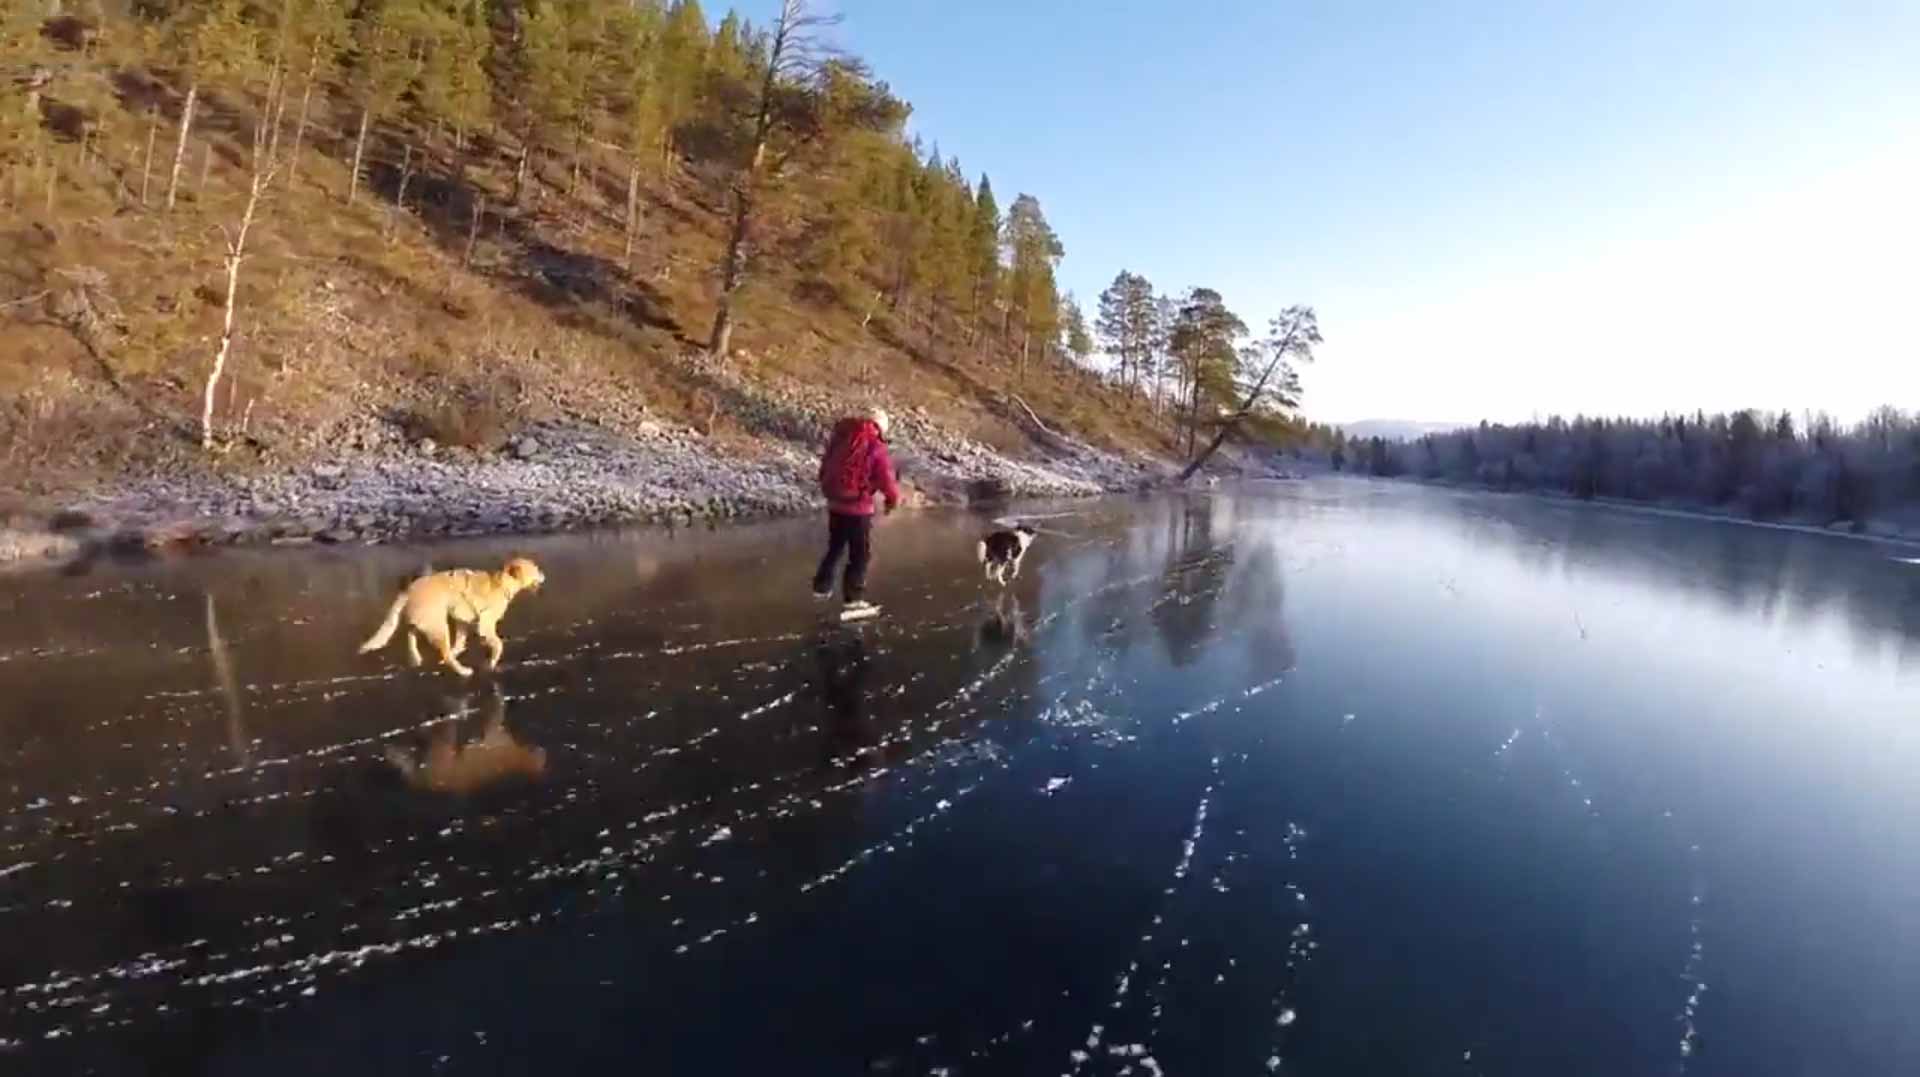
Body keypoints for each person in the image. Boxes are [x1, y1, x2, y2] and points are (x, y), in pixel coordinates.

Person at [812, 407, 900, 614]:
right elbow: (886, 478)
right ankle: (853, 599)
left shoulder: (841, 438)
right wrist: (892, 500)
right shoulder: (875, 446)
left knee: (835, 546)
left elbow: (825, 467)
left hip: (835, 503)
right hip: (858, 507)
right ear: (880, 427)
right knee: (860, 555)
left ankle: (821, 587)